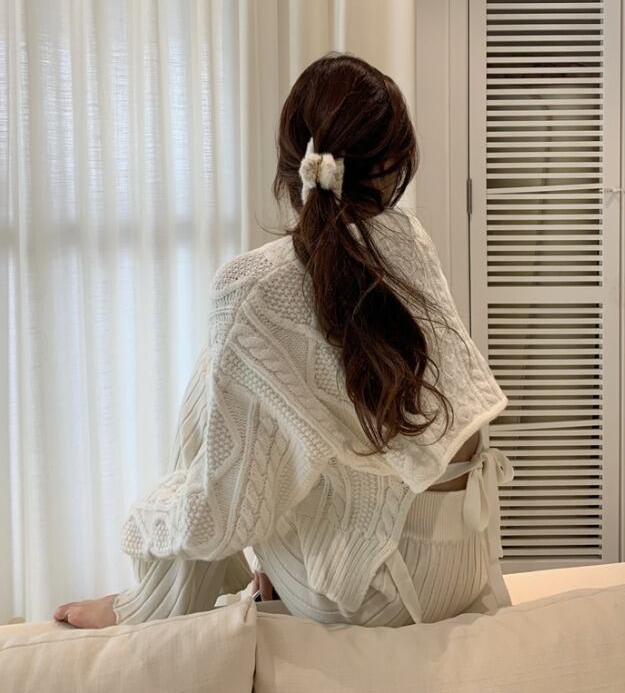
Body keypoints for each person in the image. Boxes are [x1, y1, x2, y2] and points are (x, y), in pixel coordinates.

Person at [53, 51, 513, 630]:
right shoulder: (409, 240)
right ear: (394, 165)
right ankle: (192, 591)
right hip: (462, 568)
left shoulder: (252, 287)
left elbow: (221, 514)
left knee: (212, 382)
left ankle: (151, 604)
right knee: (261, 394)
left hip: (374, 597)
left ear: (292, 162)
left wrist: (146, 518)